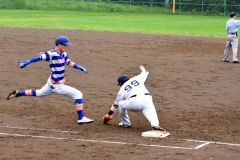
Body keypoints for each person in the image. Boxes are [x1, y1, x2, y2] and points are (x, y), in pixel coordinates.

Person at [7, 36, 94, 124]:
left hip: (51, 82)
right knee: (78, 94)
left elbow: (68, 62)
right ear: (59, 45)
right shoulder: (51, 54)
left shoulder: (64, 53)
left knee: (39, 93)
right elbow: (38, 58)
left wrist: (79, 67)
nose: (66, 46)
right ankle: (81, 118)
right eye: (65, 45)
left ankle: (18, 93)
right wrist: (26, 62)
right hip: (57, 85)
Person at [102, 65, 166, 131]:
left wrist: (108, 114)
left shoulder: (121, 90)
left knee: (120, 104)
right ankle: (155, 124)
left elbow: (116, 105)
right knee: (151, 111)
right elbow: (144, 72)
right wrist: (142, 68)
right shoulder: (136, 78)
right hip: (147, 99)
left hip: (135, 102)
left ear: (120, 83)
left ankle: (125, 123)